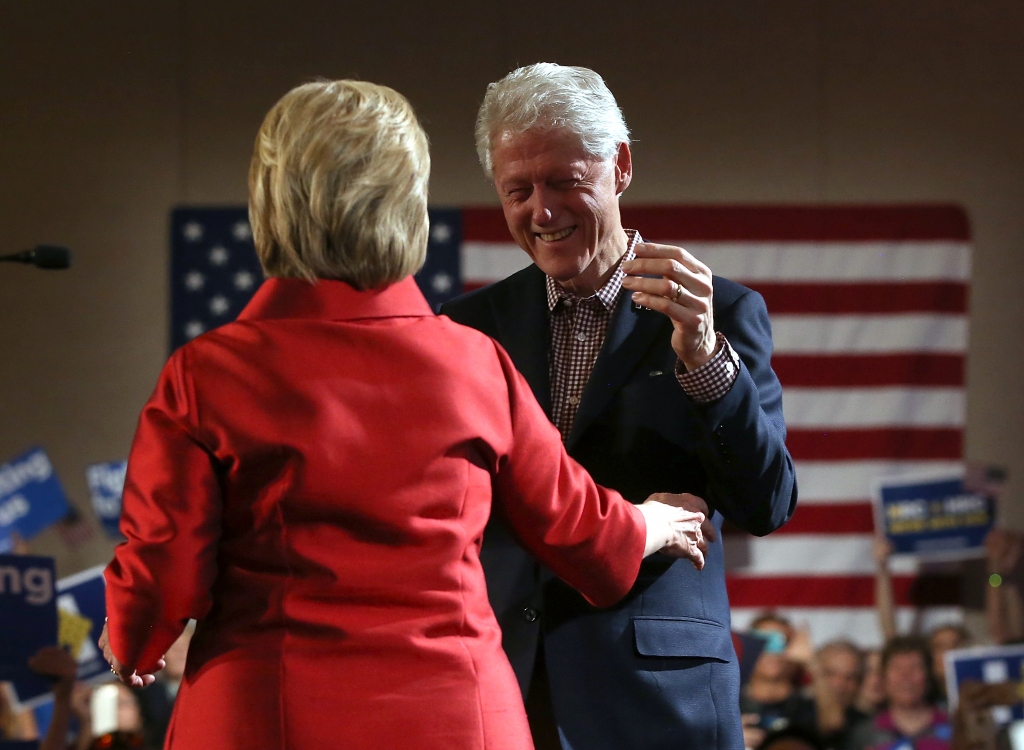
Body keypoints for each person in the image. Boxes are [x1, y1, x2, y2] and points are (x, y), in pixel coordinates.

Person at [96, 79, 708, 750]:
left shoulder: (208, 376)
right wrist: (650, 523)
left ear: (270, 201)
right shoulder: (476, 365)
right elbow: (579, 529)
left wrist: (134, 640)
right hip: (455, 718)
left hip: (267, 714)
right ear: (406, 202)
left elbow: (164, 567)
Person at [441, 62, 798, 750]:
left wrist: (702, 357)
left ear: (621, 166)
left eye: (565, 182)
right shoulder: (466, 328)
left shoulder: (722, 311)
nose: (542, 212)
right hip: (504, 684)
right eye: (518, 190)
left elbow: (767, 503)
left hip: (660, 698)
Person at [845, 636, 952, 750]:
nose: (905, 676)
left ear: (929, 676)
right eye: (897, 667)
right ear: (883, 678)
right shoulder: (865, 734)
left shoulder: (955, 725)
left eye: (915, 667)